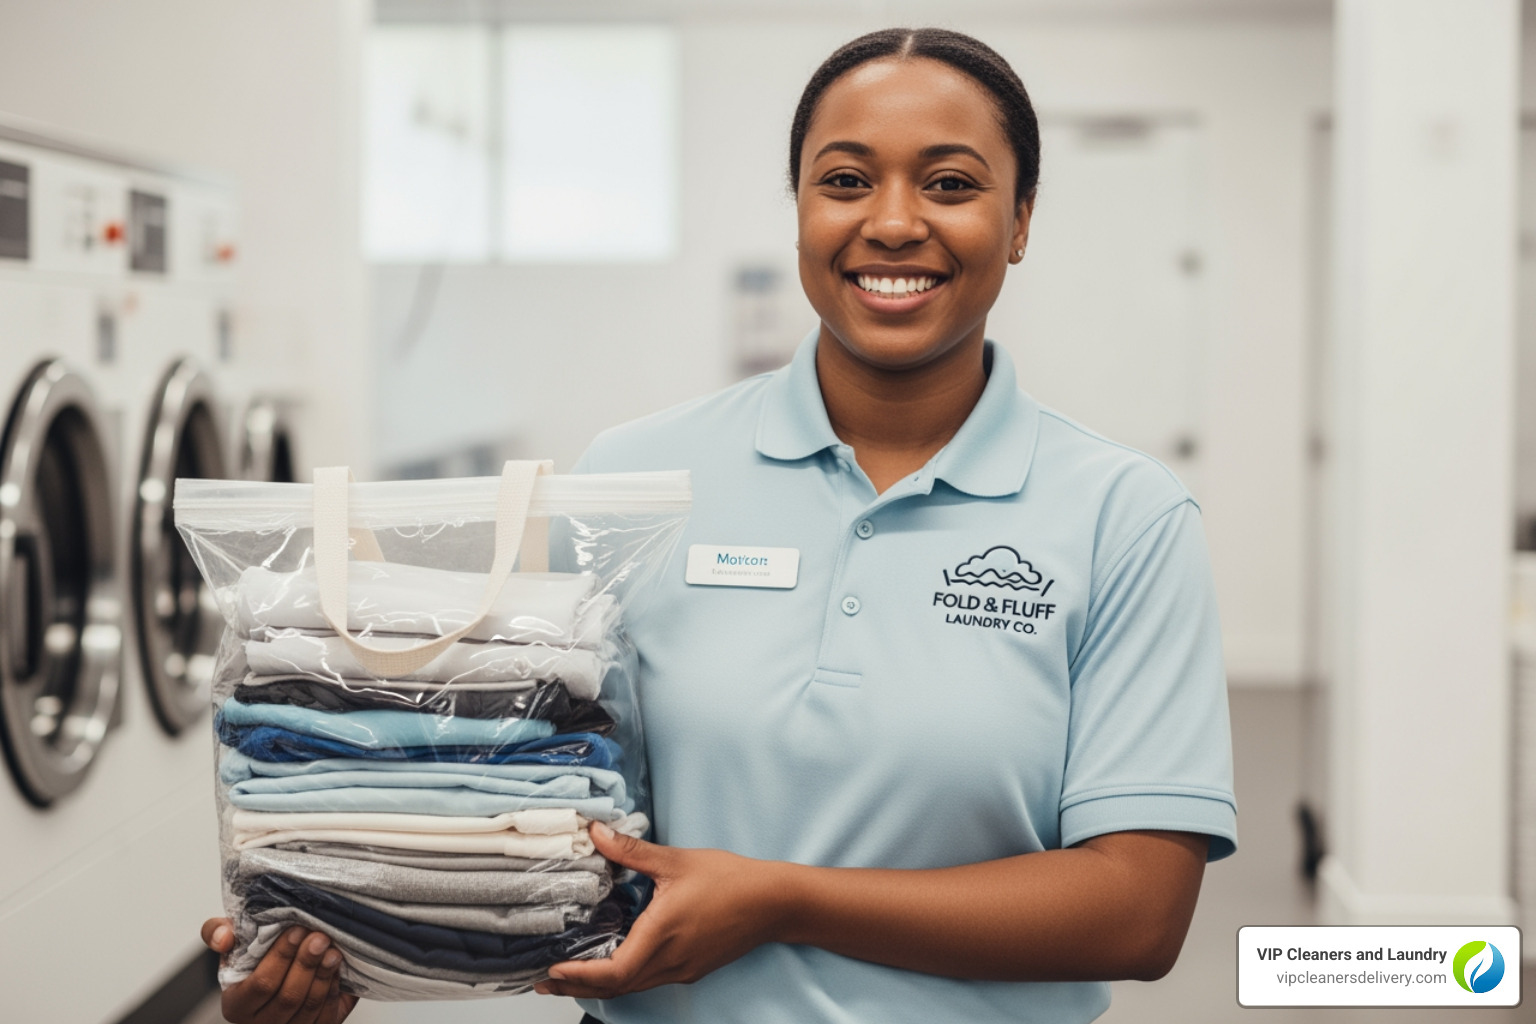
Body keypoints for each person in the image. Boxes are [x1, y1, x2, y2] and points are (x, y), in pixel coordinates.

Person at [202, 26, 1236, 1024]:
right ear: (798, 210)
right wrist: (328, 923)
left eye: (951, 183)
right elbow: (508, 799)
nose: (892, 221)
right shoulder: (633, 480)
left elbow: (1138, 911)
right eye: (845, 179)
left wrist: (784, 899)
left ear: (1020, 220)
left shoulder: (1123, 516)